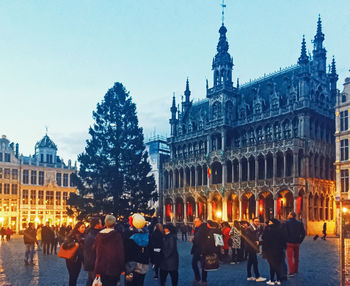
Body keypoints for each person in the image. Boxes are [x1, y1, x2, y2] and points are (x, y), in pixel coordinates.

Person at [94, 215, 125, 286]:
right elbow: (120, 253)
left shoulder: (99, 235)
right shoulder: (117, 235)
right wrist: (122, 268)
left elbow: (96, 251)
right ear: (114, 223)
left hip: (101, 266)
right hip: (114, 267)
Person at [125, 213, 150, 286]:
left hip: (132, 266)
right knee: (140, 283)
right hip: (143, 265)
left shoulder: (130, 236)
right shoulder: (147, 235)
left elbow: (127, 253)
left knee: (130, 283)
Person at [262, 219, 286, 285]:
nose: (269, 223)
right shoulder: (280, 230)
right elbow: (284, 241)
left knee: (272, 266)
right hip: (279, 250)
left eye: (270, 222)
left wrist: (264, 250)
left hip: (270, 251)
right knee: (278, 265)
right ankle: (278, 280)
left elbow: (264, 239)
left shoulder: (268, 230)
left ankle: (272, 280)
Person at [63, 221, 86, 286]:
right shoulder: (72, 235)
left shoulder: (83, 236)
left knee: (75, 277)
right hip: (71, 260)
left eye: (84, 227)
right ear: (78, 228)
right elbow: (65, 246)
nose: (83, 229)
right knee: (73, 277)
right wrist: (74, 244)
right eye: (82, 227)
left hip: (78, 260)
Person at [245, 218, 266, 282]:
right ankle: (257, 276)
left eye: (258, 221)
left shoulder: (254, 228)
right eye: (256, 221)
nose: (257, 222)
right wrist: (255, 242)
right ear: (253, 222)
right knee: (255, 262)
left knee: (250, 262)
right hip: (251, 247)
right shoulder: (250, 229)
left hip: (251, 246)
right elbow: (249, 239)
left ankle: (249, 276)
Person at [285, 211, 305, 277]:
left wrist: (286, 240)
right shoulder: (300, 223)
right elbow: (303, 234)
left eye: (288, 214)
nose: (288, 215)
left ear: (291, 215)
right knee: (296, 257)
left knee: (289, 258)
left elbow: (285, 233)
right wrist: (300, 241)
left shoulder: (287, 223)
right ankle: (296, 270)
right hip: (297, 243)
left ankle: (291, 271)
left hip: (289, 243)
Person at [83, 217, 103, 286]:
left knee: (91, 280)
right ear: (97, 225)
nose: (102, 224)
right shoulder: (95, 236)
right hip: (93, 262)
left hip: (90, 262)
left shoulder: (90, 233)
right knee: (95, 281)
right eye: (100, 223)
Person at [191, 217, 206, 285]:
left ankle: (203, 280)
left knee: (203, 265)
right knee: (194, 263)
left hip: (202, 249)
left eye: (196, 222)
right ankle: (198, 278)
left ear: (200, 222)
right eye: (194, 222)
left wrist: (193, 240)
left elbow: (199, 239)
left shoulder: (202, 229)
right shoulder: (197, 228)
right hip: (197, 249)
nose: (195, 223)